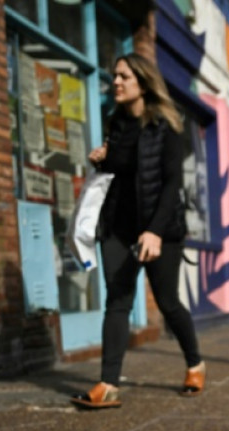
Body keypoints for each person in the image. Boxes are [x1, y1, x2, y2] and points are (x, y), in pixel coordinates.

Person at [71, 53, 204, 409]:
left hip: (160, 228)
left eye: (124, 76)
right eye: (115, 75)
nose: (116, 81)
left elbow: (172, 183)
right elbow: (121, 173)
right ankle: (108, 384)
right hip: (118, 227)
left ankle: (195, 364)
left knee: (168, 302)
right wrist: (102, 160)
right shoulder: (116, 123)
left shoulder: (166, 125)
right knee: (117, 301)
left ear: (143, 83)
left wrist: (155, 231)